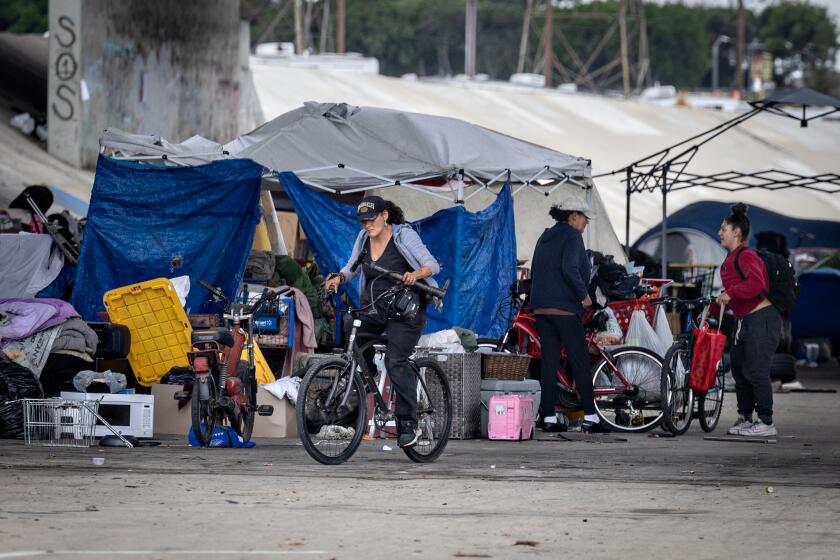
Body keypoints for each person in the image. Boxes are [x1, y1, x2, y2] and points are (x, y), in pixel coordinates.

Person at [325, 196, 440, 448]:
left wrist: (415, 274)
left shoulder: (403, 236)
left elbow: (432, 265)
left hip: (406, 311)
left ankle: (409, 424)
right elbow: (351, 267)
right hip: (375, 308)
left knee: (396, 360)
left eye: (371, 219)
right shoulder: (363, 239)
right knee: (349, 323)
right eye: (363, 221)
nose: (367, 225)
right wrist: (339, 278)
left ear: (385, 216)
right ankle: (369, 373)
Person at [529, 201, 610, 434]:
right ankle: (591, 417)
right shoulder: (573, 236)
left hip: (542, 308)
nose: (586, 222)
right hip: (565, 308)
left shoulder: (545, 236)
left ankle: (549, 418)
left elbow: (537, 269)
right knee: (579, 361)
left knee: (550, 362)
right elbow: (570, 268)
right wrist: (584, 296)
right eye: (585, 217)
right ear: (573, 216)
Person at [716, 203, 782, 436]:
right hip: (743, 320)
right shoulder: (731, 258)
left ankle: (766, 422)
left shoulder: (746, 255)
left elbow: (757, 284)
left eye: (724, 228)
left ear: (736, 232)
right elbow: (738, 289)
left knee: (756, 370)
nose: (720, 232)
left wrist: (731, 293)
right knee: (738, 369)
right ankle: (745, 417)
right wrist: (722, 299)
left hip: (762, 319)